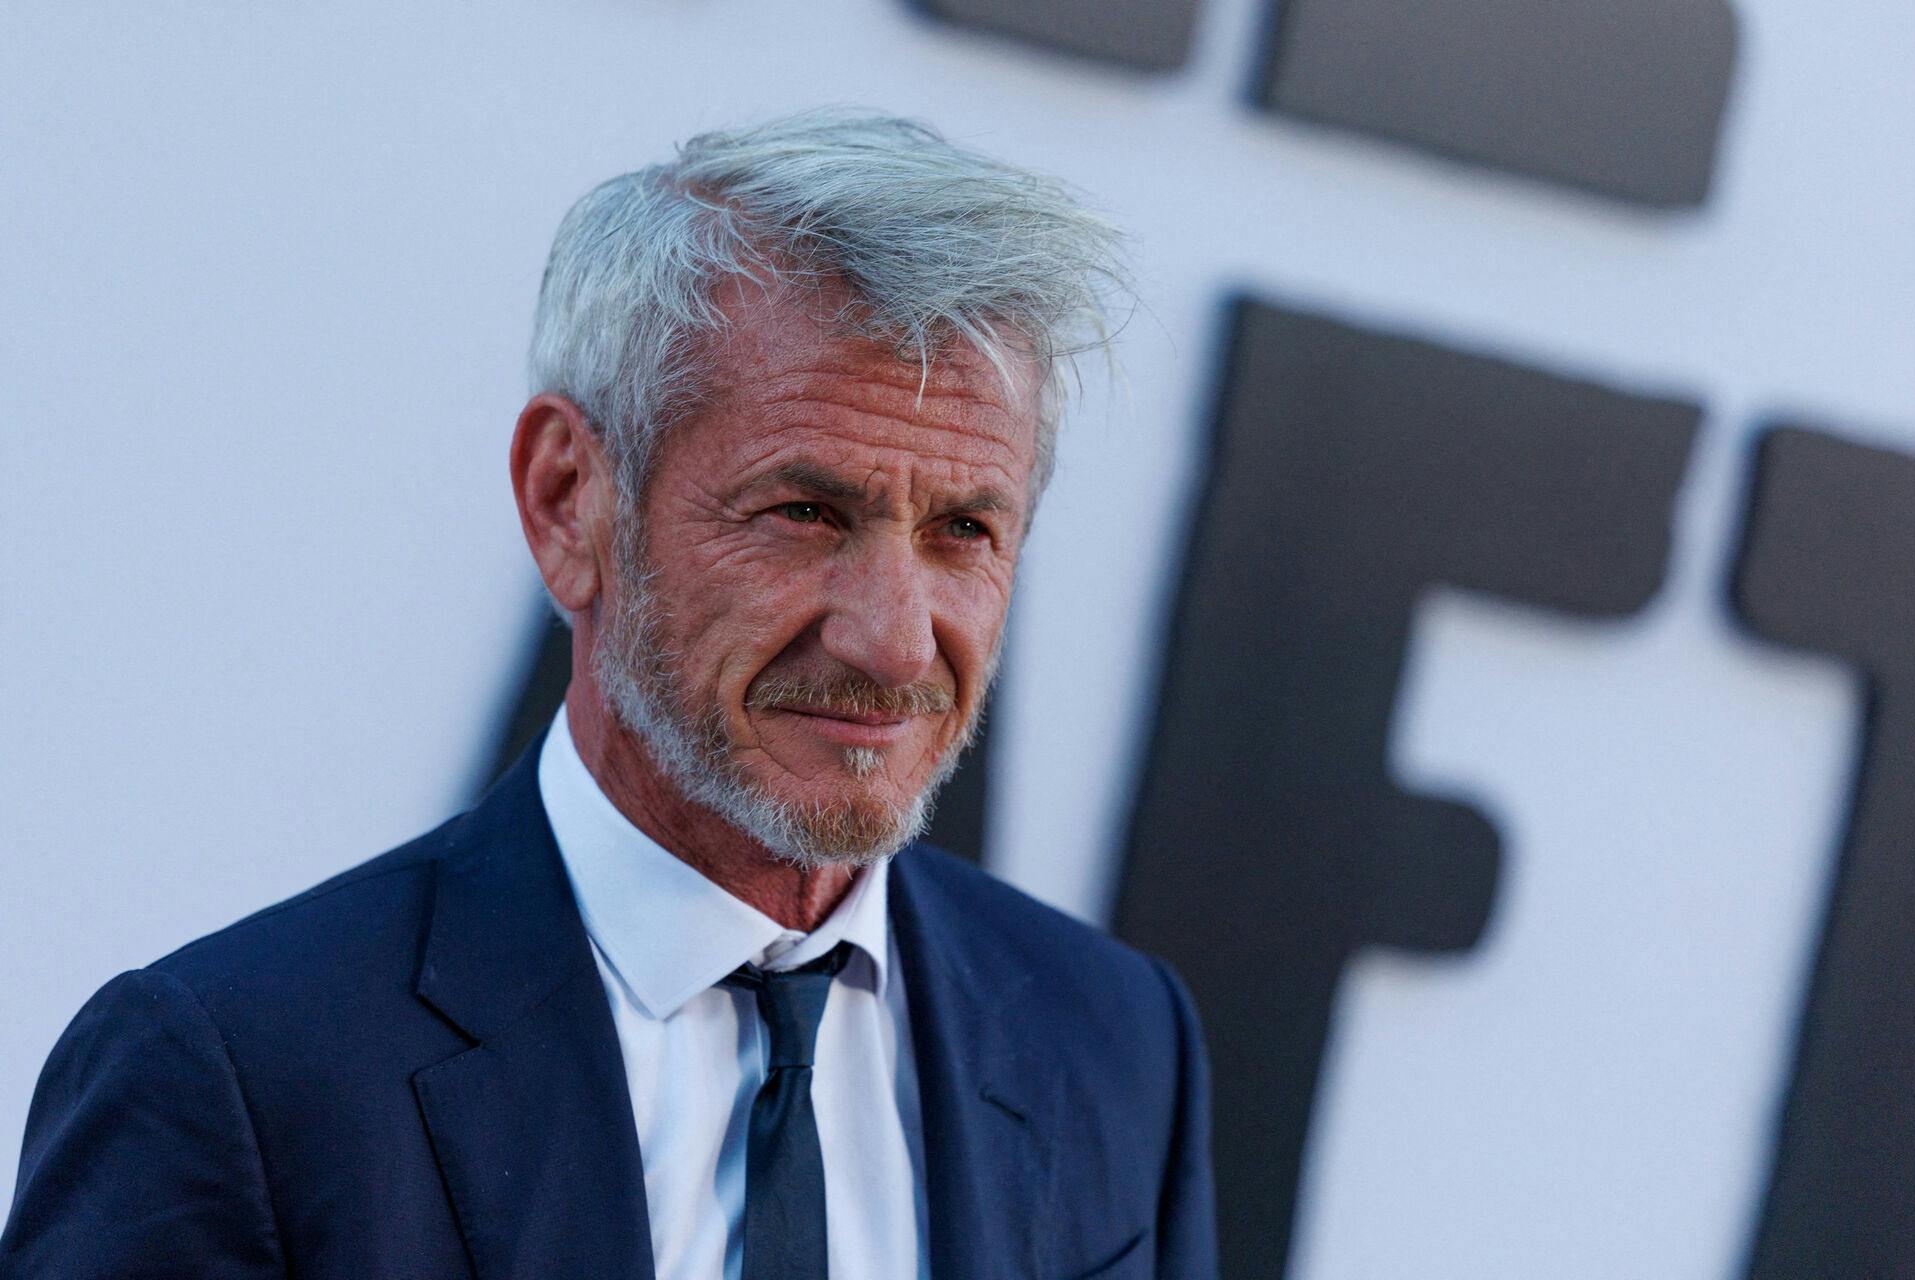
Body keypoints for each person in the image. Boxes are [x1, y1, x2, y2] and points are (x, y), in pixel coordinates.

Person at [0, 110, 1216, 1280]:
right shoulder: (236, 1074)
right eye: (805, 512)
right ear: (569, 499)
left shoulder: (1115, 1041)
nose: (896, 642)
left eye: (965, 529)